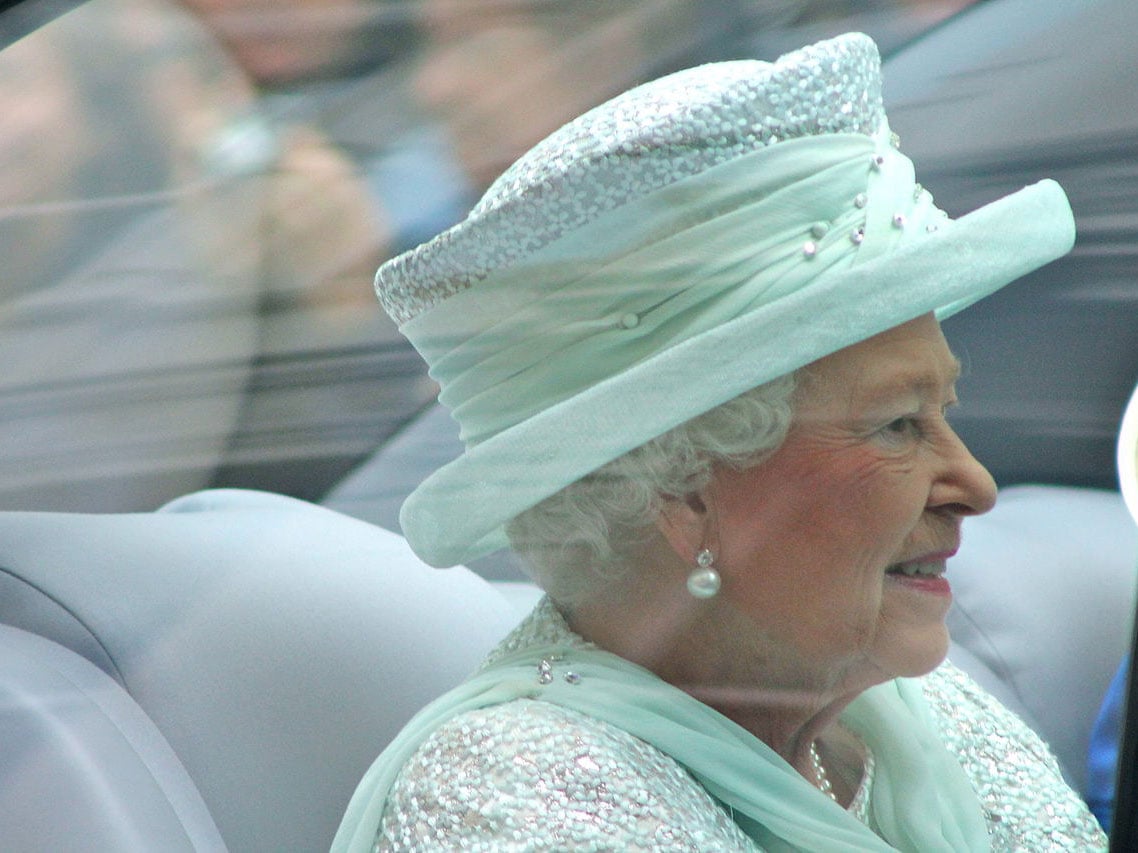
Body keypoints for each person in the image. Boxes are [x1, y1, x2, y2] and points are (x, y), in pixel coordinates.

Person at [333, 33, 1105, 851]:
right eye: (896, 424)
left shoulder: (916, 721)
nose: (974, 483)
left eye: (944, 409)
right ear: (685, 490)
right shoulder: (514, 796)